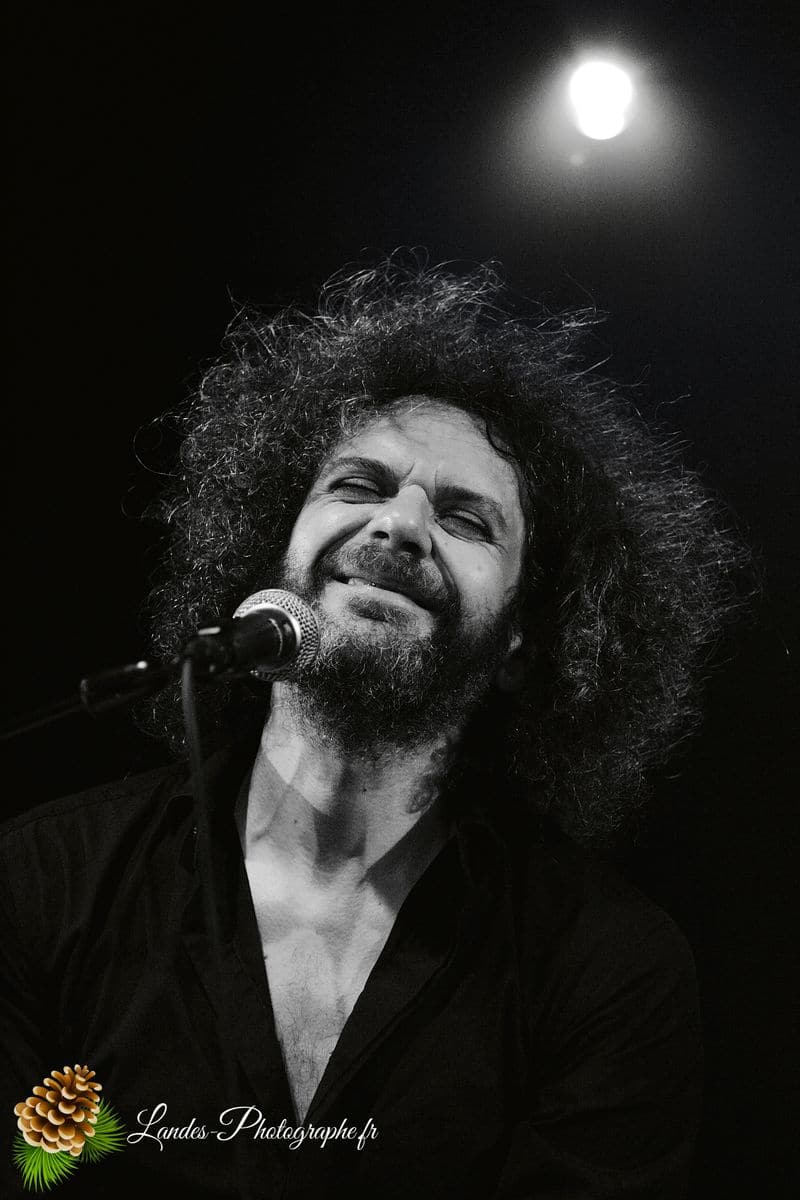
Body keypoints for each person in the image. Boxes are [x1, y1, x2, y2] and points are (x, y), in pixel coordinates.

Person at [0, 258, 745, 1198]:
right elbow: (34, 1172)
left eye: (466, 521)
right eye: (358, 485)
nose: (399, 526)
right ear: (271, 550)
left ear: (523, 640)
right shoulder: (43, 883)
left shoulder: (603, 965)